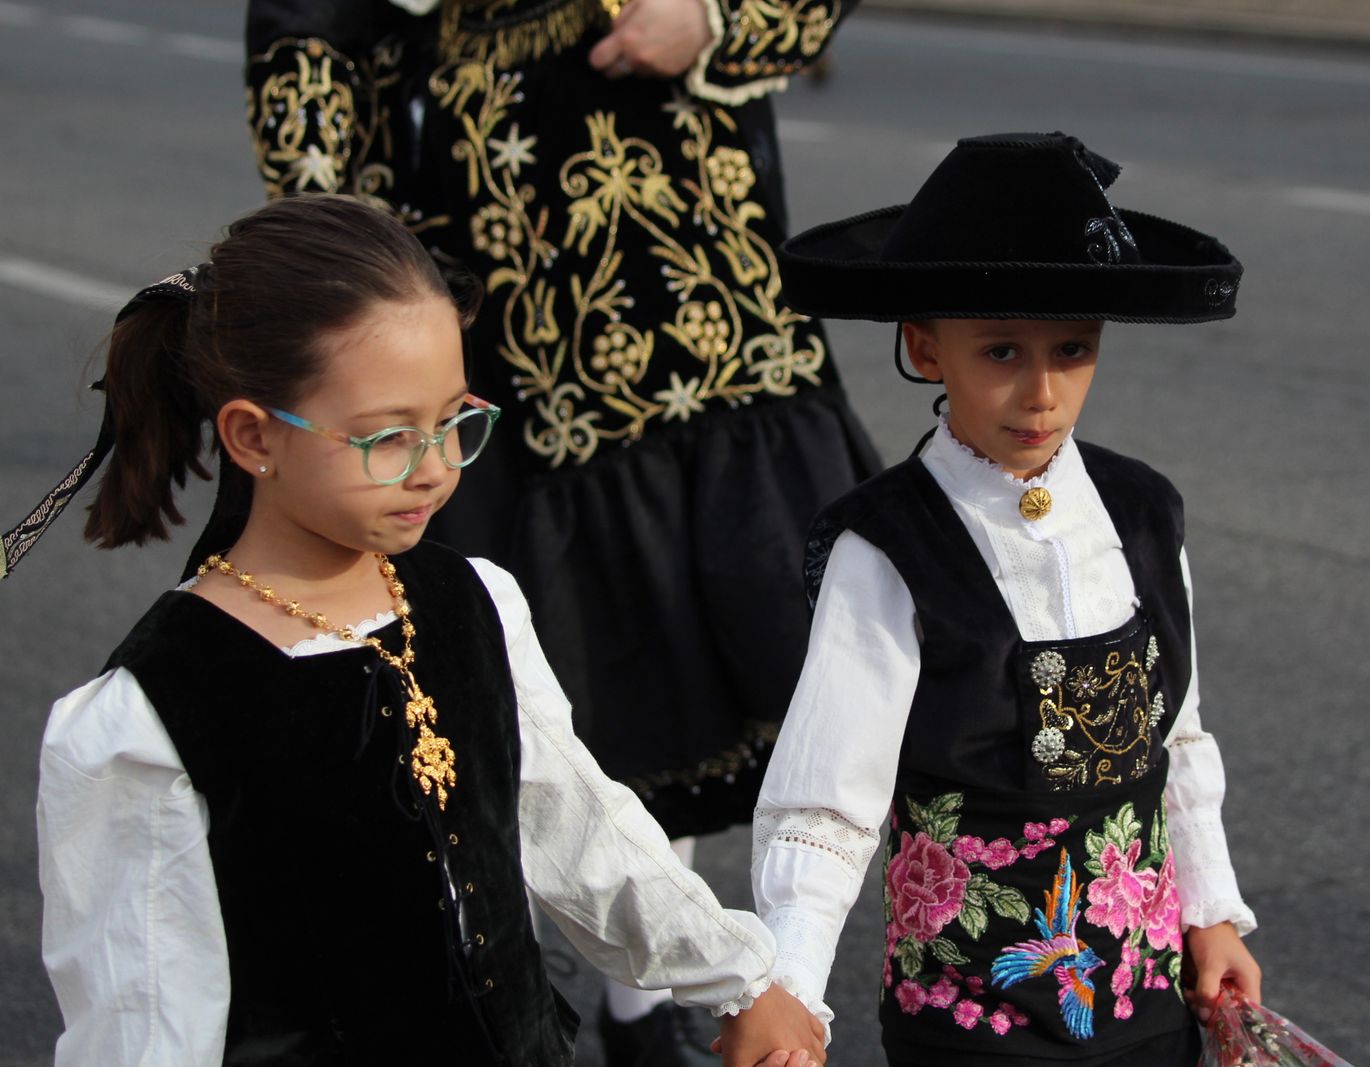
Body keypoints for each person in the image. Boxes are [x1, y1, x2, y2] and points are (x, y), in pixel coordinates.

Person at [30, 194, 825, 1067]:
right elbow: (142, 1024)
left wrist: (738, 978)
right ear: (254, 436)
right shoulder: (150, 719)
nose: (437, 465)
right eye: (387, 438)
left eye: (452, 420)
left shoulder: (471, 597)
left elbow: (575, 821)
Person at [238, 6, 881, 1055]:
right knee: (591, 677)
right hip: (513, 289)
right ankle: (651, 1003)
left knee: (830, 681)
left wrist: (711, 19)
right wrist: (359, 285)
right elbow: (312, 52)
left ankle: (780, 981)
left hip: (710, 284)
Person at [750, 133, 1263, 1066]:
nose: (1042, 392)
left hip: (1144, 1000)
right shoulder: (888, 544)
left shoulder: (1143, 513)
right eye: (1001, 350)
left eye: (1073, 348)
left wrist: (1212, 912)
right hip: (969, 1016)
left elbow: (1177, 738)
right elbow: (827, 801)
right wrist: (790, 982)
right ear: (924, 345)